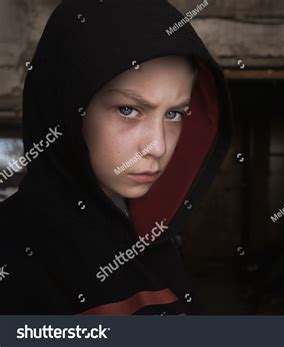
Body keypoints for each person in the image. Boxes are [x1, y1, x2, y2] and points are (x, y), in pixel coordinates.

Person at [0, 0, 232, 315]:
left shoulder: (150, 240)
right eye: (128, 110)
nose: (158, 146)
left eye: (174, 114)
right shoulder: (14, 254)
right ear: (67, 109)